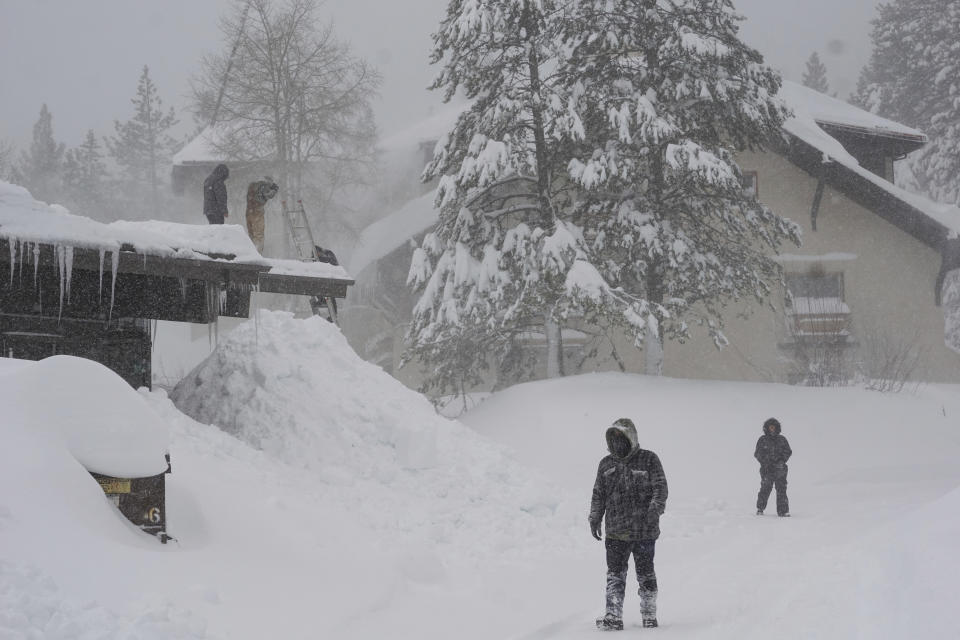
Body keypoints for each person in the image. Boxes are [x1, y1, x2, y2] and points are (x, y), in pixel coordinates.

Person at [589, 418, 668, 631]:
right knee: (615, 575)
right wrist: (595, 518)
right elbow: (598, 494)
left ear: (630, 437)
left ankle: (649, 615)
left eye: (620, 437)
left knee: (646, 574)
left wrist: (655, 509)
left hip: (644, 530)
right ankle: (613, 616)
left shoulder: (649, 459)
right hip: (615, 532)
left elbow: (660, 488)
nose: (616, 442)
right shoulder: (605, 464)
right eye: (612, 438)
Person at [754, 417, 792, 517]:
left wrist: (781, 461)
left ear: (777, 428)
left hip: (780, 469)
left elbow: (788, 451)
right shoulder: (762, 440)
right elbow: (757, 453)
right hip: (767, 470)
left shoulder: (782, 439)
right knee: (765, 488)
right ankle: (760, 508)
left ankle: (783, 511)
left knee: (781, 489)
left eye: (773, 427)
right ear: (767, 428)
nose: (772, 429)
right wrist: (765, 462)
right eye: (770, 427)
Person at [245, 176, 280, 252]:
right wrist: (274, 189)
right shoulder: (264, 185)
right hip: (257, 213)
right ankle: (257, 254)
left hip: (248, 212)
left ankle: (249, 253)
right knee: (259, 235)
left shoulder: (252, 185)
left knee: (251, 234)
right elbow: (268, 195)